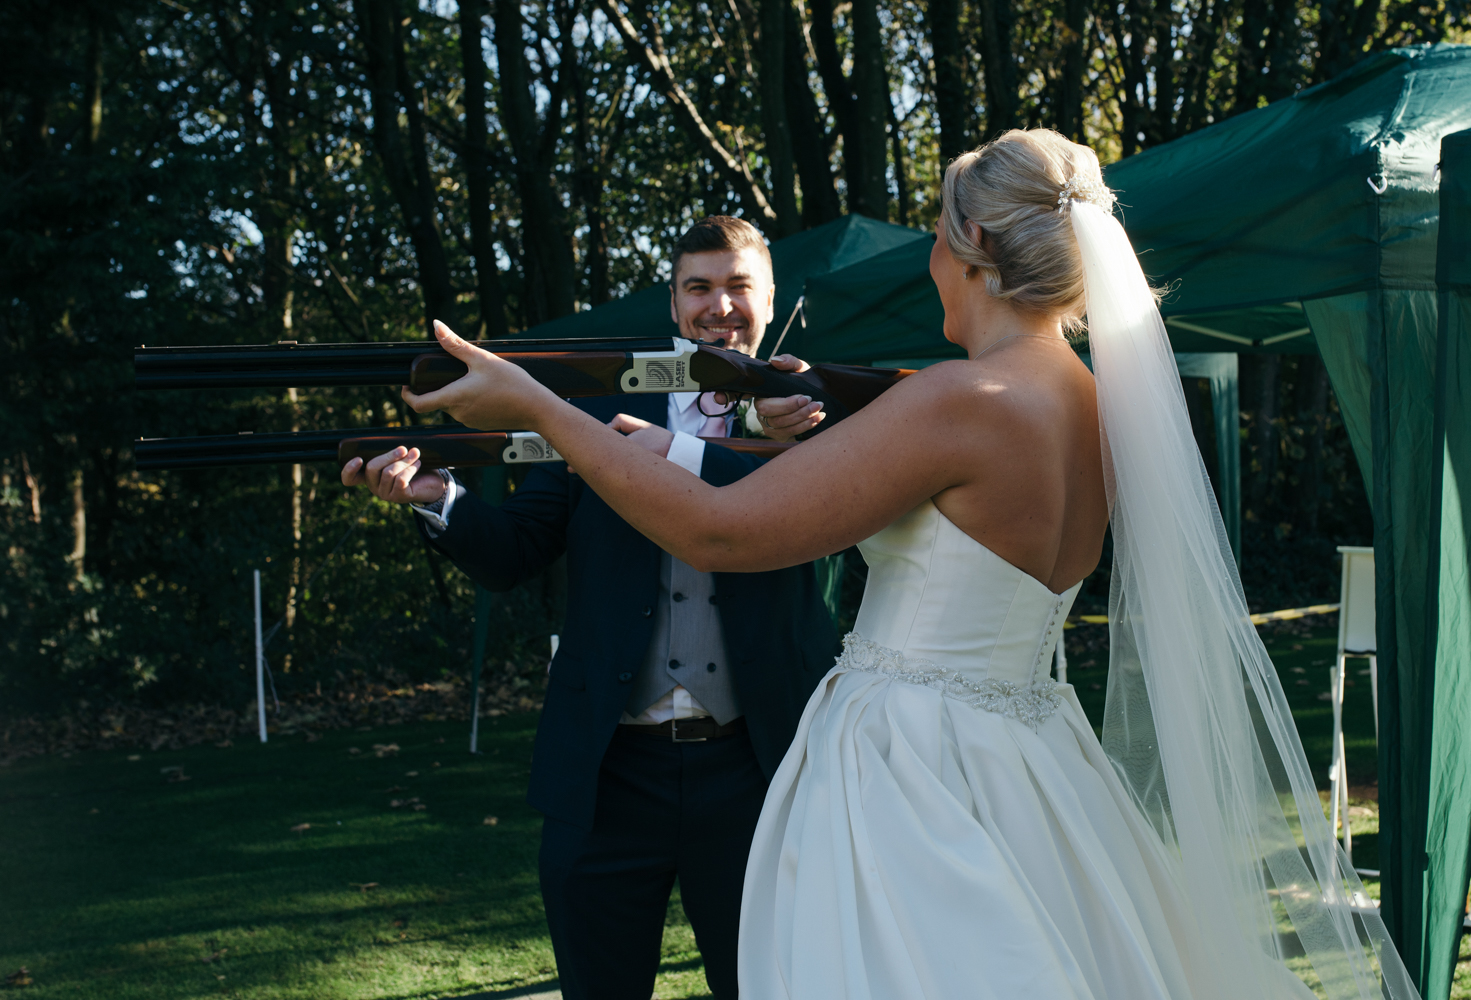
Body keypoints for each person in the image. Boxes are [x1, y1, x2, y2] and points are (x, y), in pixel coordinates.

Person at [399, 131, 1419, 1000]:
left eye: (937, 235)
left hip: (908, 768)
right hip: (1031, 758)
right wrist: (687, 437)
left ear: (970, 246)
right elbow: (895, 497)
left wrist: (542, 409)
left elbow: (723, 533)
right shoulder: (1099, 408)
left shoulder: (955, 400)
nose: (929, 258)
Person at [340, 216, 836, 1000]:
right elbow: (515, 552)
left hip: (757, 765)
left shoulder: (815, 415)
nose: (719, 306)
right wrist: (441, 499)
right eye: (698, 287)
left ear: (770, 298)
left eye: (738, 286)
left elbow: (834, 518)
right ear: (673, 305)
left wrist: (798, 425)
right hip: (609, 770)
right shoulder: (592, 416)